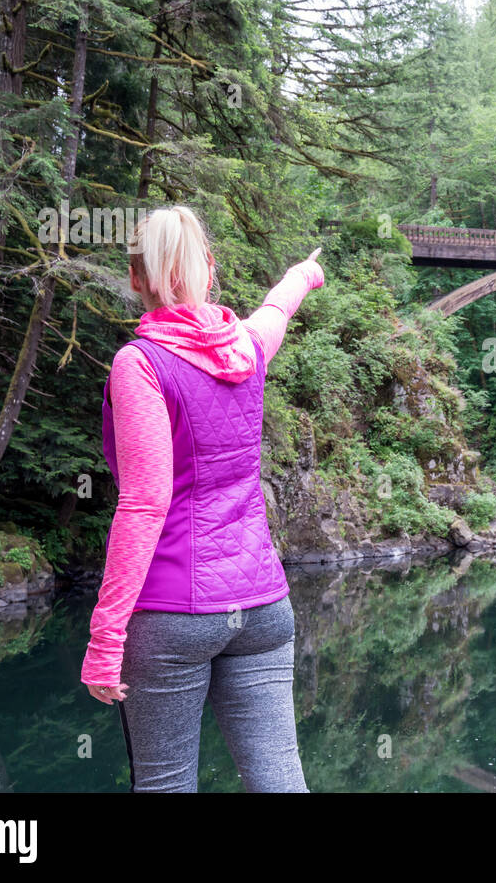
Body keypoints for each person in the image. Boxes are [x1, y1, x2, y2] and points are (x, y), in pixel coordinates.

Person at [80, 205, 324, 792]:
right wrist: (303, 275)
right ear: (209, 270)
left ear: (136, 278)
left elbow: (145, 502)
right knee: (279, 779)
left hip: (172, 614)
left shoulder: (139, 363)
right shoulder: (246, 347)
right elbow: (276, 310)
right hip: (263, 607)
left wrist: (105, 638)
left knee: (165, 784)